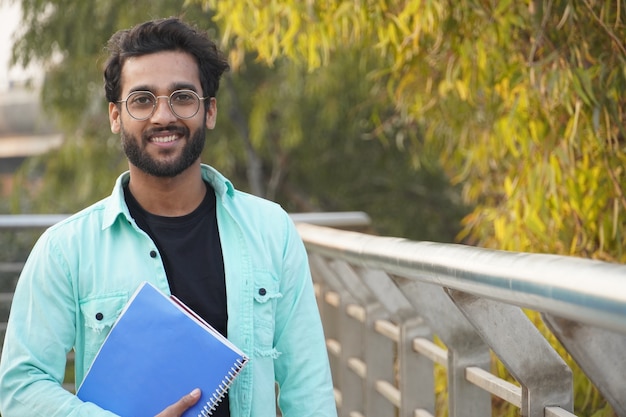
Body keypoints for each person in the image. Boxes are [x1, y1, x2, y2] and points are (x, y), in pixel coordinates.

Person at [0, 17, 337, 417]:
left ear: (209, 110)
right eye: (142, 100)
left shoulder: (271, 230)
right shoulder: (65, 250)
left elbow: (307, 387)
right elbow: (21, 388)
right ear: (115, 116)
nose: (163, 116)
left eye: (182, 97)